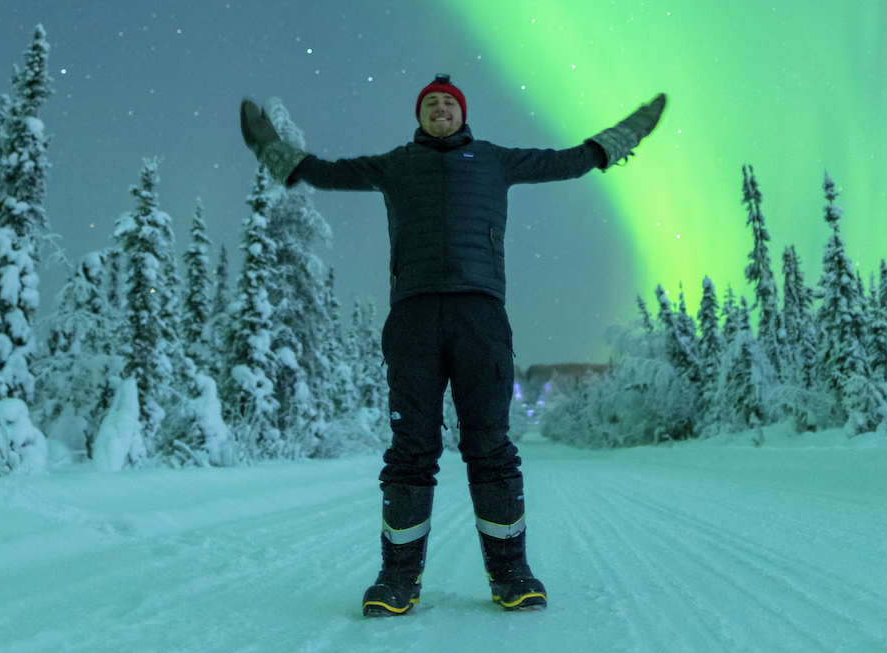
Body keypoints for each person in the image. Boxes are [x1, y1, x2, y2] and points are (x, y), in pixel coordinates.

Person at [240, 75, 666, 616]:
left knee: (489, 448)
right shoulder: (393, 165)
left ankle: (511, 574)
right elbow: (322, 172)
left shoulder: (496, 160)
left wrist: (622, 137)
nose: (440, 108)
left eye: (449, 103)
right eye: (431, 103)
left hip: (480, 316)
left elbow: (569, 161)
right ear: (419, 116)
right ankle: (397, 580)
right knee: (410, 453)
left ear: (463, 114)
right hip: (413, 318)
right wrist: (272, 150)